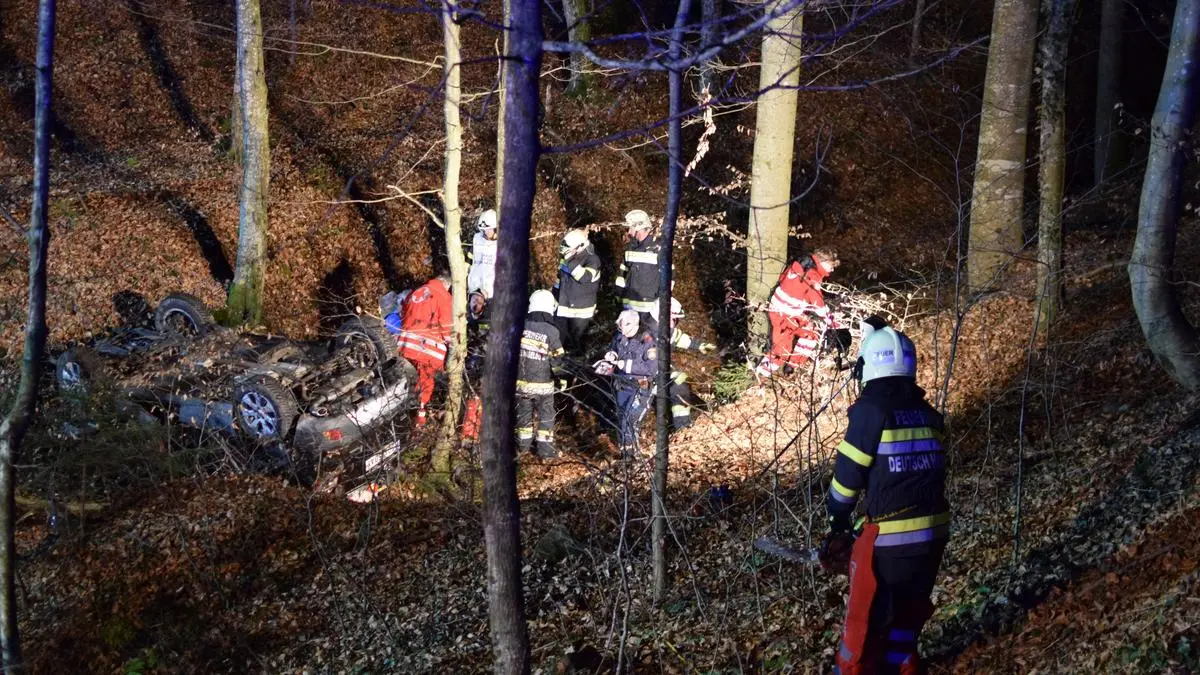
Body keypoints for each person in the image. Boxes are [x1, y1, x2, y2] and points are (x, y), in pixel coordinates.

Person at [822, 326, 949, 674]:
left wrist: (837, 520)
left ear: (868, 367)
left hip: (892, 542)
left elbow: (848, 478)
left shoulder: (870, 411)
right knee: (907, 619)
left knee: (865, 622)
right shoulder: (928, 414)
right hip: (934, 535)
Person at [756, 248, 840, 378]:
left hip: (789, 312)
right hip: (783, 314)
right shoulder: (812, 275)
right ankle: (761, 376)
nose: (832, 270)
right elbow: (816, 300)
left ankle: (791, 367)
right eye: (831, 266)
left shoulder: (801, 265)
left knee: (811, 335)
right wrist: (830, 320)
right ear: (823, 262)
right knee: (781, 350)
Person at [645, 297, 716, 430]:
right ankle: (682, 427)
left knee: (680, 384)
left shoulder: (662, 329)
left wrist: (699, 345)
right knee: (678, 386)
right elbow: (648, 366)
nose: (675, 323)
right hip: (645, 379)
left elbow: (678, 337)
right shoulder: (648, 336)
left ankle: (682, 425)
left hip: (660, 371)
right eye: (673, 319)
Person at [595, 310, 658, 456]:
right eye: (620, 328)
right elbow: (615, 347)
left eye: (624, 328)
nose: (622, 332)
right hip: (622, 385)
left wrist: (625, 365)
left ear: (634, 325)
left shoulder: (648, 342)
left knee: (630, 421)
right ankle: (626, 455)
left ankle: (633, 456)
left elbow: (651, 369)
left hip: (640, 387)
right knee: (622, 419)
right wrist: (612, 354)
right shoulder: (620, 336)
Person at [396, 273, 453, 428]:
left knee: (404, 381)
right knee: (424, 385)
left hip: (406, 345)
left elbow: (402, 313)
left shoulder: (417, 291)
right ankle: (418, 423)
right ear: (446, 285)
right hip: (426, 350)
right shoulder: (444, 296)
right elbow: (447, 325)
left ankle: (399, 414)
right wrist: (453, 344)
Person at [516, 290, 565, 458]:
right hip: (543, 384)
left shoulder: (520, 325)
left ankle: (523, 447)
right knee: (546, 415)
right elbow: (557, 359)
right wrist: (561, 378)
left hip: (521, 383)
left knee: (523, 414)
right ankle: (546, 451)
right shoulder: (552, 331)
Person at [554, 228, 602, 356]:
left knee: (576, 342)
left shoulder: (592, 260)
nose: (567, 250)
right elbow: (562, 279)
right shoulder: (569, 258)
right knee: (561, 338)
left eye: (570, 248)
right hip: (564, 306)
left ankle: (577, 366)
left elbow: (583, 278)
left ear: (580, 245)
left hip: (581, 310)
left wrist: (569, 258)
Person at [615, 209, 662, 319]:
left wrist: (660, 304)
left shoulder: (658, 248)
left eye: (631, 228)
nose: (629, 232)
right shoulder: (631, 247)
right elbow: (622, 275)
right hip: (628, 306)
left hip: (649, 310)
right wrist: (619, 296)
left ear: (639, 228)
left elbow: (669, 279)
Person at [467, 209, 499, 299]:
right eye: (484, 229)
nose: (486, 232)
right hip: (474, 288)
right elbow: (469, 259)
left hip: (492, 292)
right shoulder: (477, 240)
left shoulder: (503, 244)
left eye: (488, 229)